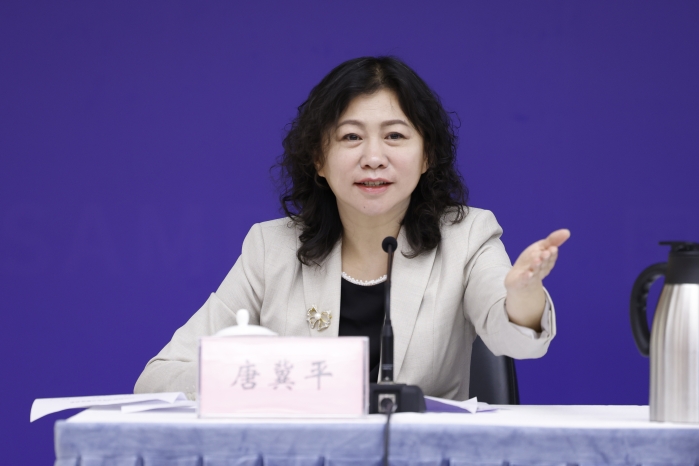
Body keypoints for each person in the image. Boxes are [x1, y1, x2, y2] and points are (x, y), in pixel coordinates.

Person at [134, 56, 570, 401]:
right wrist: (266, 380)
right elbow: (158, 378)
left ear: (427, 156)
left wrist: (523, 294)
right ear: (318, 160)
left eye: (395, 136)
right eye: (350, 137)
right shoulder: (271, 248)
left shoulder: (467, 235)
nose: (373, 158)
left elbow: (521, 342)